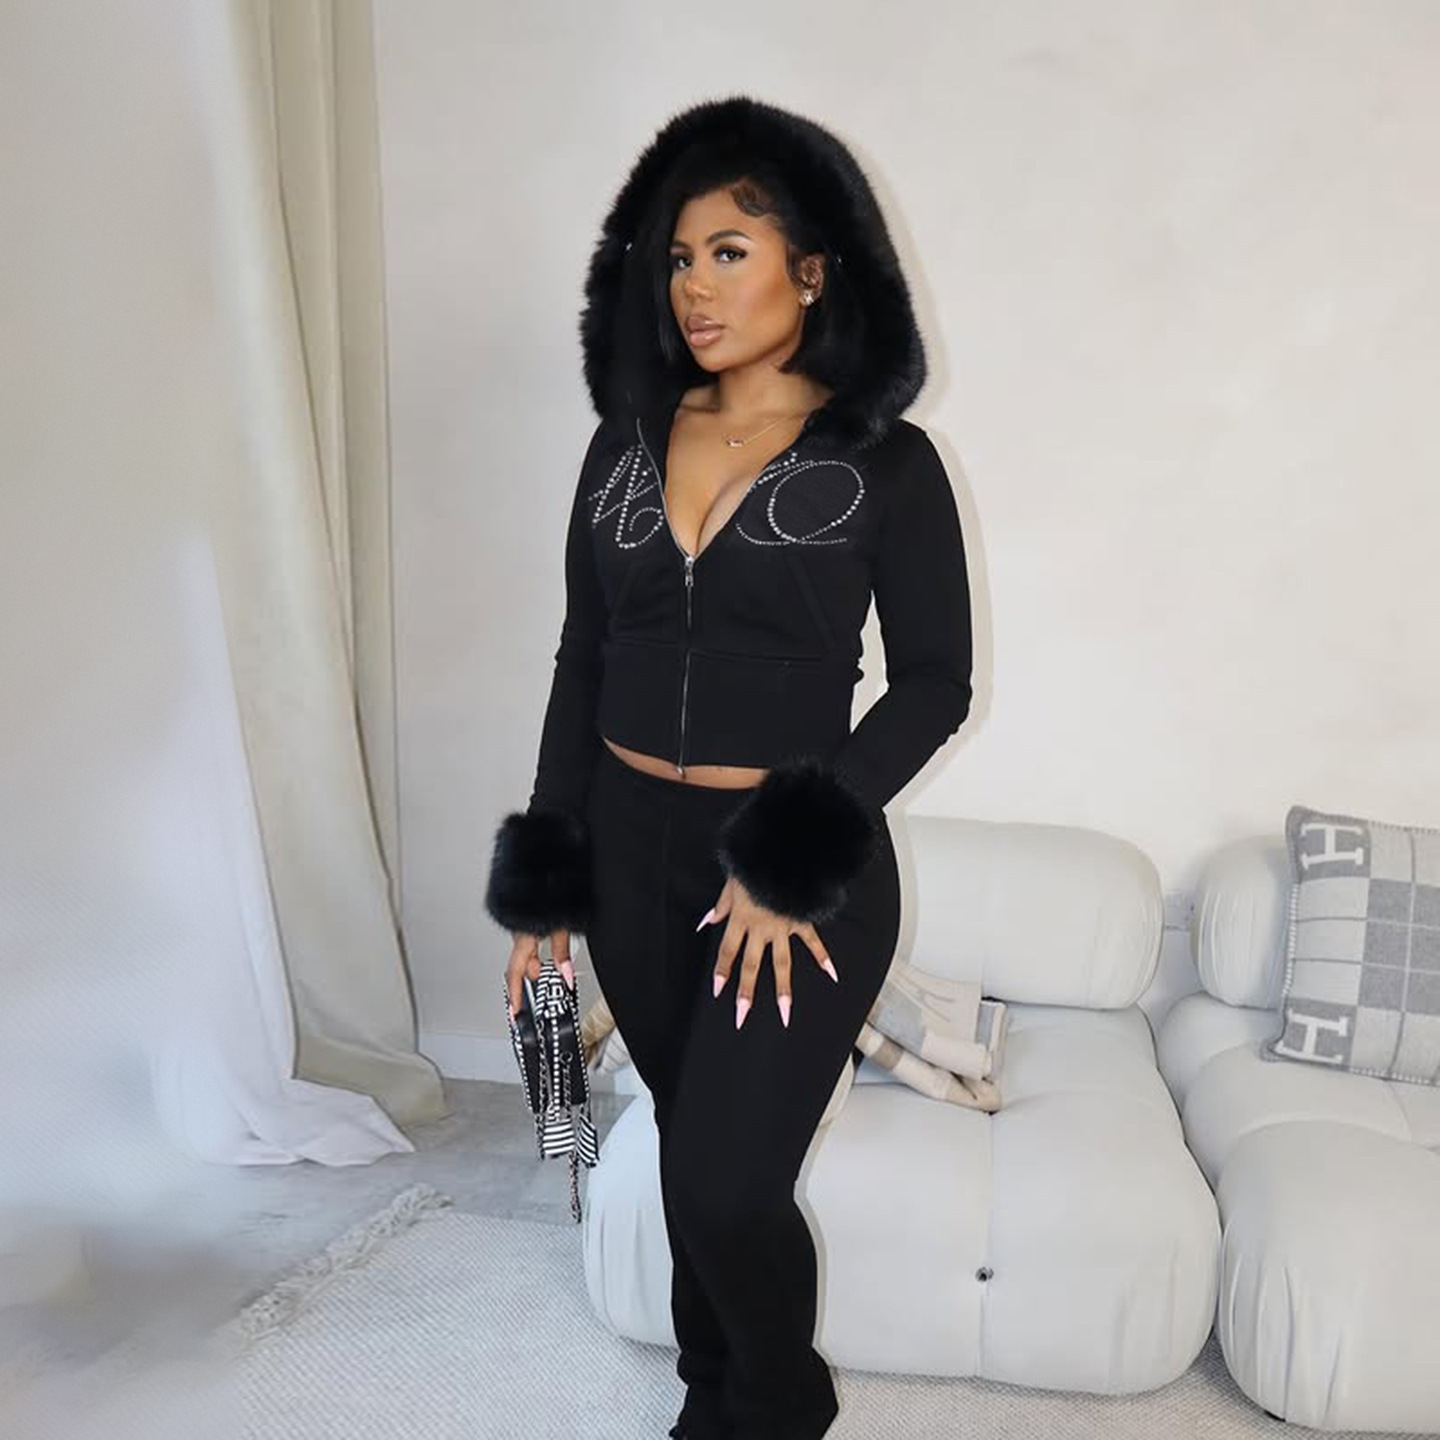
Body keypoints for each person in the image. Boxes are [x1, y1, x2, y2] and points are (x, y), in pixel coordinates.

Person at [484, 96, 974, 1440]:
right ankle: (713, 1400)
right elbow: (585, 658)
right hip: (630, 852)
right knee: (693, 1153)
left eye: (729, 253)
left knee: (724, 1183)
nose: (693, 286)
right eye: (677, 258)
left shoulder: (889, 466)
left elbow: (935, 684)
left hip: (795, 871)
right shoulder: (623, 444)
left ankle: (782, 1405)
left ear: (812, 270)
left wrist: (788, 858)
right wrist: (548, 881)